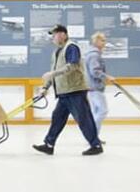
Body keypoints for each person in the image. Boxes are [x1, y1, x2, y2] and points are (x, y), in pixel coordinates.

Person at [32, 25, 103, 156]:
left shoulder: (71, 47)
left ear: (63, 35)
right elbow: (53, 73)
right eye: (52, 35)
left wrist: (51, 74)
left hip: (75, 91)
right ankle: (49, 144)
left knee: (83, 118)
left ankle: (96, 145)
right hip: (64, 93)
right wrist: (45, 88)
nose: (53, 37)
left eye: (55, 34)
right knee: (57, 118)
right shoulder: (57, 52)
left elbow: (72, 66)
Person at [83, 32, 110, 138]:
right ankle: (92, 135)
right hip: (95, 88)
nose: (104, 43)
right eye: (102, 40)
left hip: (91, 88)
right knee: (103, 111)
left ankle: (94, 137)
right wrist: (107, 77)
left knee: (96, 112)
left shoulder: (92, 54)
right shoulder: (94, 55)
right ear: (97, 41)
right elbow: (95, 72)